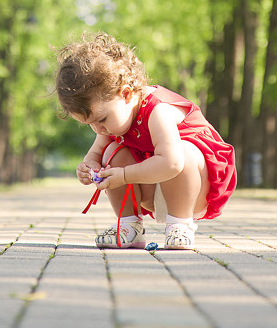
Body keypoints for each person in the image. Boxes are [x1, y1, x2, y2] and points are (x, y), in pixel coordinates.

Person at [55, 32, 236, 250]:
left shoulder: (157, 109)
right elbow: (95, 153)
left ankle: (180, 225)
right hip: (155, 183)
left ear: (127, 94)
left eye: (102, 119)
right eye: (90, 124)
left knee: (183, 152)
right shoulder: (113, 117)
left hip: (195, 185)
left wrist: (123, 175)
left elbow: (173, 164)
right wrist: (89, 167)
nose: (98, 129)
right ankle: (130, 227)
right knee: (112, 151)